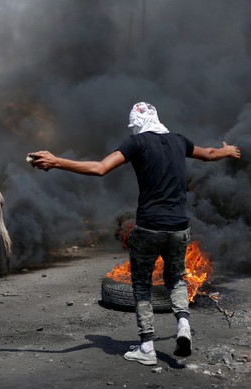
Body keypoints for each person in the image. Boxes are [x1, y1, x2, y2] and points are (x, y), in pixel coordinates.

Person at [27, 102, 241, 366]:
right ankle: (183, 326)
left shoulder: (135, 142)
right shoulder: (178, 141)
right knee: (176, 281)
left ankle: (147, 348)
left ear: (137, 124)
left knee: (141, 287)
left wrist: (56, 161)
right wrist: (226, 150)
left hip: (150, 227)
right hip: (179, 227)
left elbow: (100, 168)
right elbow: (208, 154)